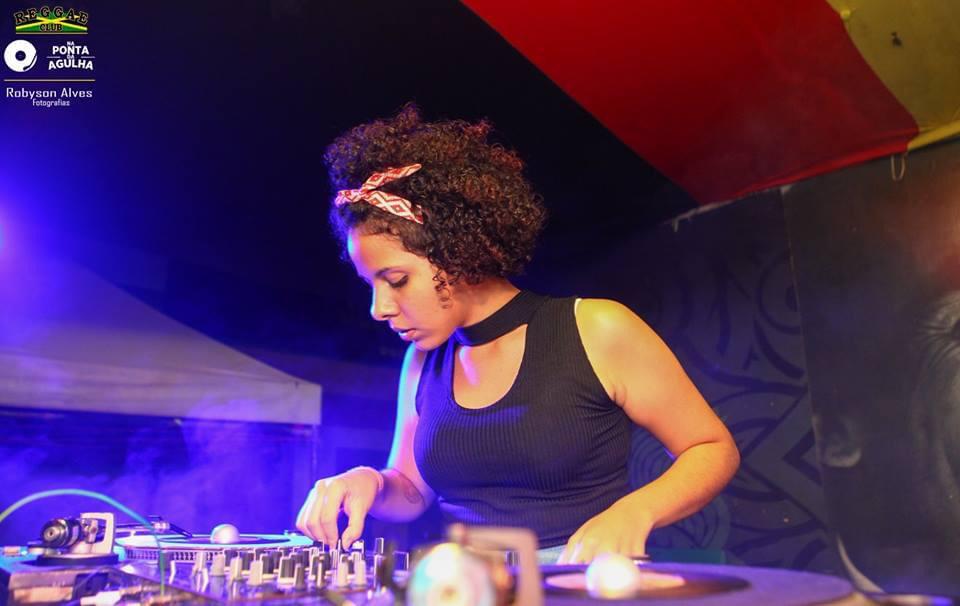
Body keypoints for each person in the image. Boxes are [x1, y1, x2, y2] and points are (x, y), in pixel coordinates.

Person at [296, 105, 739, 564]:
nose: (379, 308)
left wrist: (635, 512)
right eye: (371, 285)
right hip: (469, 585)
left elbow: (711, 448)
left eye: (397, 280)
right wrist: (369, 481)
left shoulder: (596, 328)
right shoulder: (424, 360)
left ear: (456, 253)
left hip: (580, 582)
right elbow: (410, 491)